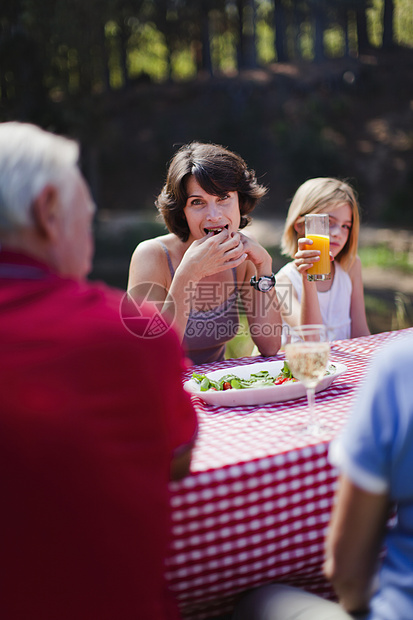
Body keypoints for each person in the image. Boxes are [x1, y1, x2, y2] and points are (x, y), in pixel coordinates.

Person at [0, 121, 198, 620]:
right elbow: (176, 459)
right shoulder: (126, 335)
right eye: (85, 220)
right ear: (47, 214)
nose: (88, 241)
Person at [127, 141, 282, 365]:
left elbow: (270, 346)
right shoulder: (151, 256)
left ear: (240, 201)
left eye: (223, 198)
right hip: (163, 390)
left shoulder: (244, 256)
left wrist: (264, 267)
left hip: (217, 389)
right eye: (198, 202)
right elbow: (150, 356)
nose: (214, 215)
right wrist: (186, 276)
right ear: (182, 212)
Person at [276, 177, 370, 341]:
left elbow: (360, 332)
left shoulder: (351, 265)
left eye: (345, 226)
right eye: (328, 222)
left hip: (344, 365)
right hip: (303, 365)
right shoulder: (283, 282)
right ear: (300, 225)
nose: (337, 233)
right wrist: (308, 277)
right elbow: (312, 338)